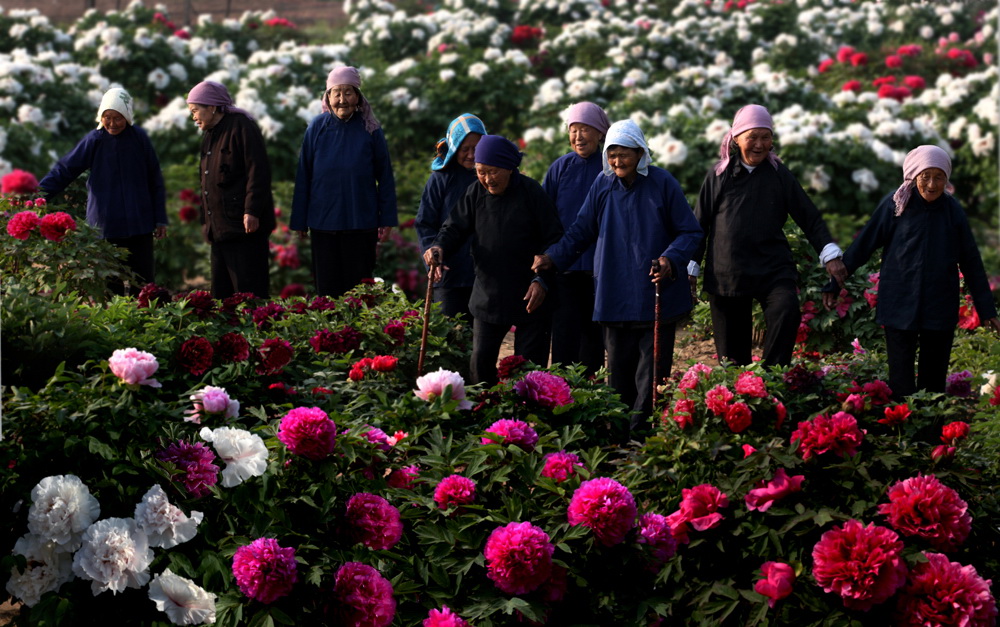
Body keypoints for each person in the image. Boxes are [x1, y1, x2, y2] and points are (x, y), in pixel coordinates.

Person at [533, 119, 703, 433]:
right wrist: (552, 258)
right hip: (614, 291)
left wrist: (670, 259)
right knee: (619, 371)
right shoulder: (603, 184)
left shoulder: (662, 183)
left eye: (624, 154)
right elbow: (581, 231)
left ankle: (643, 437)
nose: (616, 161)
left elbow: (690, 231)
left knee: (651, 372)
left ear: (640, 153)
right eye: (612, 154)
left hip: (653, 292)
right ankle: (621, 435)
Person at [822, 145, 1000, 398]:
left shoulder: (952, 210)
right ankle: (904, 430)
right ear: (913, 175)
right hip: (899, 300)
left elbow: (971, 260)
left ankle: (931, 431)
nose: (931, 184)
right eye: (925, 176)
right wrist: (834, 283)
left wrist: (986, 309)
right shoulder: (895, 205)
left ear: (946, 179)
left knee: (933, 379)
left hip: (939, 304)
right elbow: (864, 246)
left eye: (939, 177)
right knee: (900, 379)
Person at [690, 104, 847, 367]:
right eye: (752, 137)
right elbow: (699, 224)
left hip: (771, 268)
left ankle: (771, 378)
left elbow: (809, 216)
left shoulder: (778, 174)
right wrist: (690, 267)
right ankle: (739, 395)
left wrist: (829, 253)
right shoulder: (719, 175)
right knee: (732, 358)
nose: (759, 144)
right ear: (736, 138)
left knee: (785, 310)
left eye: (766, 137)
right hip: (728, 272)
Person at [423, 135, 563, 385]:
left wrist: (541, 279)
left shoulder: (532, 193)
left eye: (493, 172)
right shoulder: (475, 192)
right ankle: (483, 416)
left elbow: (553, 240)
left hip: (530, 294)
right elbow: (454, 227)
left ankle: (527, 420)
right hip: (489, 292)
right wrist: (439, 247)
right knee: (480, 364)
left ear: (510, 167)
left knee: (530, 372)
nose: (487, 179)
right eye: (481, 172)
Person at [38, 87, 167, 295]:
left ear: (127, 116)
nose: (112, 124)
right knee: (111, 284)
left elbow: (155, 179)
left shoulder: (139, 138)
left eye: (118, 118)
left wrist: (160, 218)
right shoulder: (95, 140)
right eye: (107, 117)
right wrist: (39, 195)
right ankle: (116, 325)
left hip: (139, 223)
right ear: (101, 116)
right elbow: (65, 169)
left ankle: (144, 324)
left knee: (143, 283)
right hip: (107, 225)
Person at [290, 66, 398, 298]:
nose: (342, 100)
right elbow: (304, 174)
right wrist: (300, 220)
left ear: (358, 96)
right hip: (323, 223)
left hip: (361, 222)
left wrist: (386, 218)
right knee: (327, 291)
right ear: (327, 97)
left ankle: (358, 334)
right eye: (336, 93)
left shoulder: (370, 129)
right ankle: (329, 333)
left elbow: (385, 176)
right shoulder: (317, 128)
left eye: (348, 92)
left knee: (359, 291)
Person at [186, 80, 275, 299]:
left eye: (196, 110)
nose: (193, 117)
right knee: (221, 296)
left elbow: (258, 170)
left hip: (244, 228)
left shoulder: (242, 126)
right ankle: (228, 335)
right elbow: (206, 181)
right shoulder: (209, 135)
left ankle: (255, 333)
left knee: (249, 293)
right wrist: (205, 223)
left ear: (212, 107)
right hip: (220, 229)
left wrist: (252, 210)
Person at [541, 102, 611, 376]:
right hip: (565, 268)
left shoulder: (610, 167)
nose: (579, 137)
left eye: (586, 130)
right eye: (574, 130)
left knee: (593, 340)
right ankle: (560, 394)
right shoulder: (560, 168)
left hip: (599, 268)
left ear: (600, 133)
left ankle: (590, 401)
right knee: (564, 337)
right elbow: (546, 217)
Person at [414, 113, 486, 320]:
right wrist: (431, 255)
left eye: (477, 148)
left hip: (481, 274)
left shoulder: (488, 176)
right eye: (465, 149)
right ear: (454, 148)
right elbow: (425, 223)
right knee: (450, 336)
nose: (472, 155)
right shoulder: (441, 178)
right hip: (449, 272)